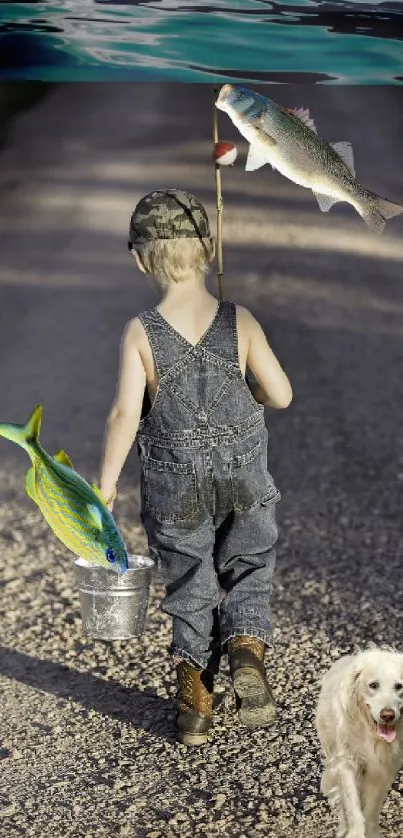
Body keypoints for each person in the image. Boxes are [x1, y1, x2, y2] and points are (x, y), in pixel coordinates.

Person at [99, 188, 293, 746]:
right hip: (245, 481)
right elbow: (279, 395)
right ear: (210, 248)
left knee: (190, 580)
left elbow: (123, 416)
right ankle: (246, 650)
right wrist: (247, 383)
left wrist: (106, 484)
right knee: (250, 563)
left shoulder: (141, 331)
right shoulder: (241, 319)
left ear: (140, 259)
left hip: (174, 486)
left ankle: (195, 702)